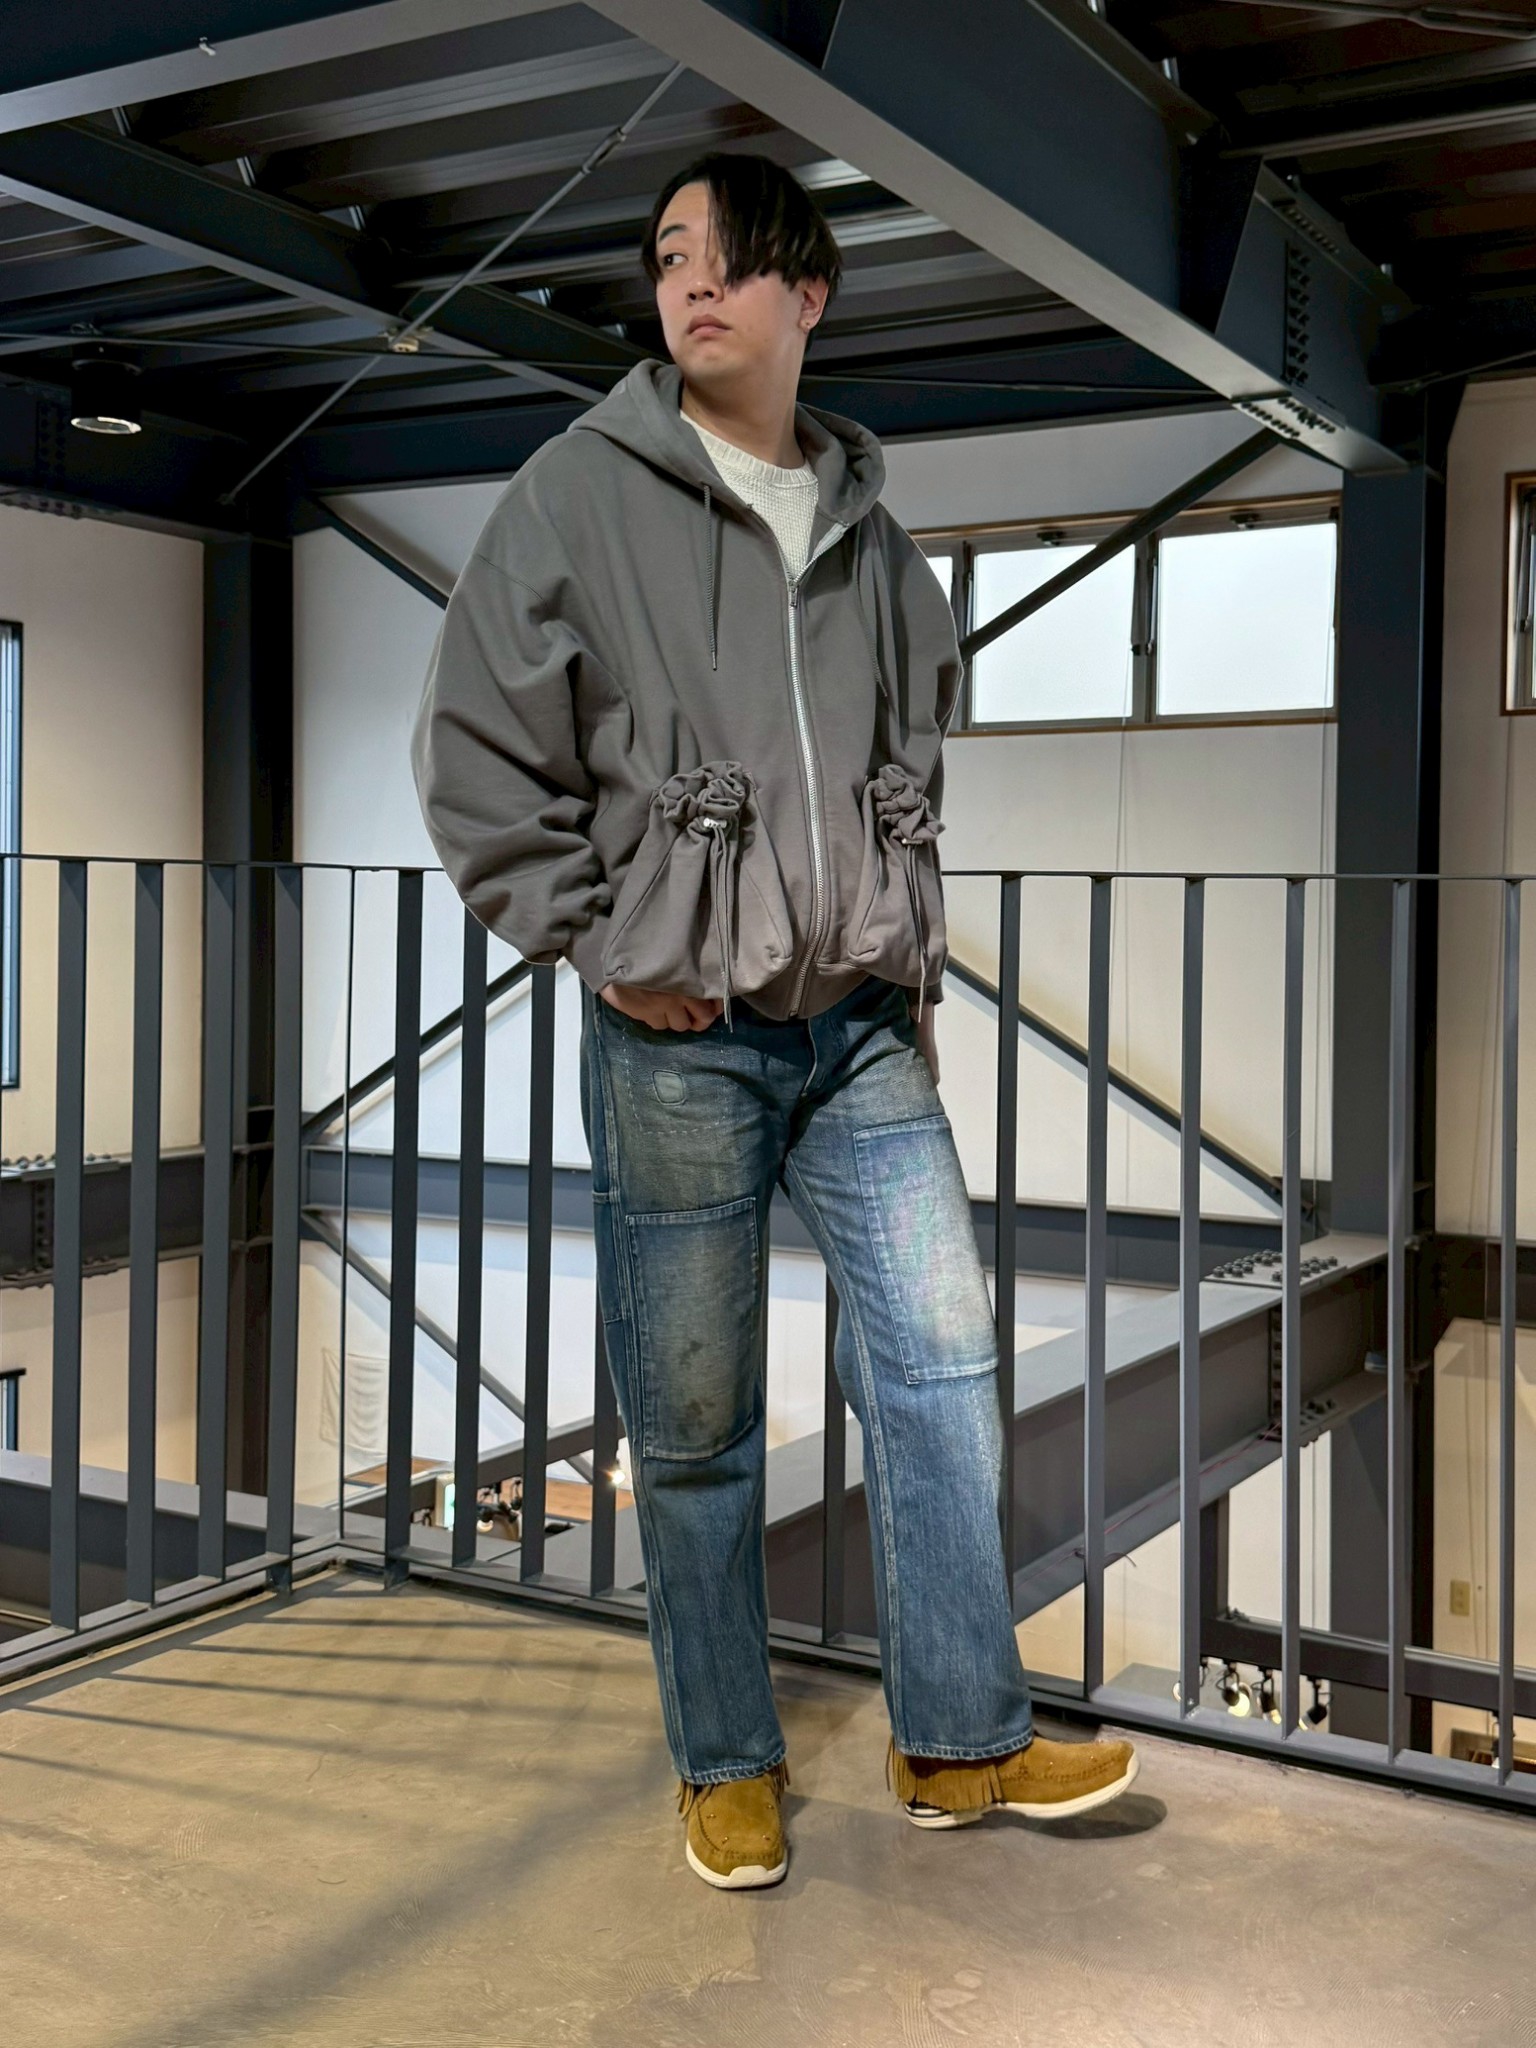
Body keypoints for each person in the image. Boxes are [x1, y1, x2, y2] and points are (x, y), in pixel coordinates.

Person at [413, 152, 1139, 1890]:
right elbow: (474, 754)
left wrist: (894, 936)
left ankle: (959, 1740)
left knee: (944, 1370)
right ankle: (726, 1763)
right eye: (672, 256)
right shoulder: (576, 497)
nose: (693, 284)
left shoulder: (868, 527)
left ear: (809, 294)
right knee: (695, 1419)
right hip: (681, 1038)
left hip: (860, 1032)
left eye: (731, 259)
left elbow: (913, 746)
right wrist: (597, 940)